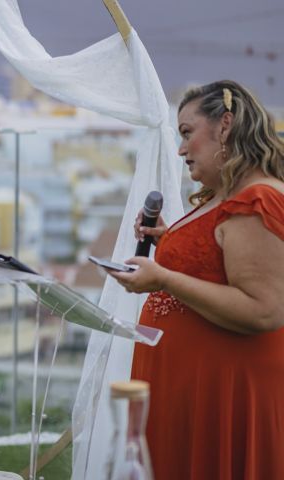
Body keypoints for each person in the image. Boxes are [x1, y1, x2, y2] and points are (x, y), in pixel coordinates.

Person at [107, 80, 284, 479]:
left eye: (187, 133)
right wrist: (170, 240)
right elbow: (218, 263)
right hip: (189, 389)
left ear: (225, 125)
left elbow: (264, 310)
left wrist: (165, 279)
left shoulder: (258, 199)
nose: (181, 149)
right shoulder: (225, 194)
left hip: (224, 393)